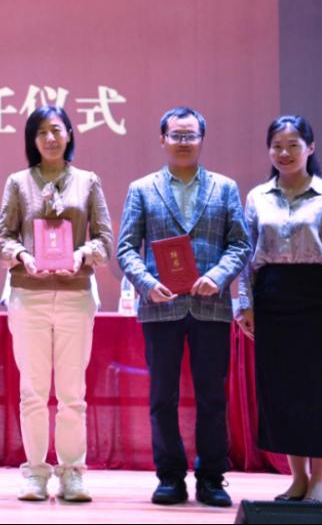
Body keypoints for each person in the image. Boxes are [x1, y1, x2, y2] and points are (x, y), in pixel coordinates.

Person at [116, 106, 249, 508]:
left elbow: (240, 244)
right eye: (176, 135)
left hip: (211, 306)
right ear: (163, 140)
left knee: (212, 397)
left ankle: (212, 478)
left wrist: (219, 276)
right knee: (162, 397)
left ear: (202, 139)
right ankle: (170, 477)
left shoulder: (224, 188)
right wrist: (147, 284)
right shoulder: (142, 189)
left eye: (191, 135)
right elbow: (126, 248)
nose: (184, 142)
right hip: (162, 307)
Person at [0, 106, 114, 502]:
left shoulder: (88, 181)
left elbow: (105, 239)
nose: (50, 138)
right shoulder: (18, 182)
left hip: (75, 295)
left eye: (57, 130)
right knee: (32, 391)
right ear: (32, 139)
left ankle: (72, 472)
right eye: (42, 132)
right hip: (28, 295)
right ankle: (34, 471)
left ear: (69, 135)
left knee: (71, 393)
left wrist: (82, 254)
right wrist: (22, 255)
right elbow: (3, 237)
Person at [236, 115, 322, 504]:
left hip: (316, 299)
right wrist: (245, 304)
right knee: (282, 391)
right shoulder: (257, 197)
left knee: (319, 391)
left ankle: (320, 481)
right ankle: (298, 479)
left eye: (293, 145)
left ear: (310, 148)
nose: (284, 153)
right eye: (277, 146)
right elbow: (247, 258)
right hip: (272, 298)